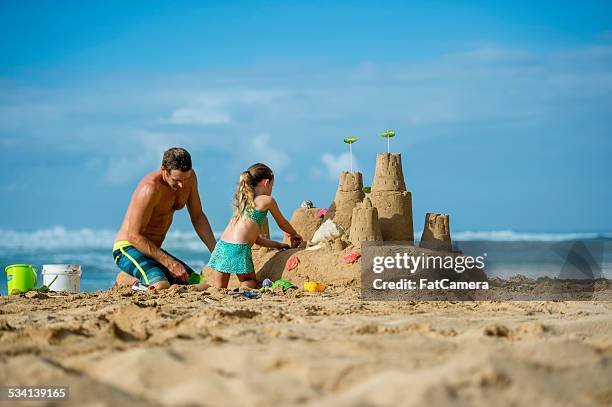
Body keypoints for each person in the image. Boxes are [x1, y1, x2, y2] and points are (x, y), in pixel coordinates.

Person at [112, 147, 216, 290]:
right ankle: (125, 278)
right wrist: (169, 263)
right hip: (128, 247)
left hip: (153, 251)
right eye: (176, 180)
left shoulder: (189, 179)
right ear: (164, 170)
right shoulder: (150, 189)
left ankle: (147, 274)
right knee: (160, 286)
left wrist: (216, 253)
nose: (182, 185)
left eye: (185, 179)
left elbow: (197, 217)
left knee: (201, 283)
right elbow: (133, 236)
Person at [207, 163, 302, 288]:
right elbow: (282, 223)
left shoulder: (244, 203)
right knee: (249, 281)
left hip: (222, 247)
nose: (271, 190)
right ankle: (240, 293)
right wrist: (294, 234)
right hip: (239, 249)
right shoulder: (267, 200)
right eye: (272, 186)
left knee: (217, 288)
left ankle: (191, 289)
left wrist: (278, 245)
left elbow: (256, 239)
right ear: (266, 183)